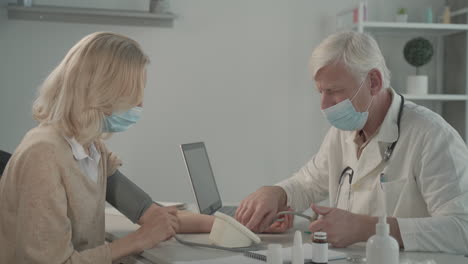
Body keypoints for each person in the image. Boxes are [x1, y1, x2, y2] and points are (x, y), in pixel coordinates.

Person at [235, 31, 468, 254]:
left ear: (373, 82)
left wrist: (365, 228)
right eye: (321, 92)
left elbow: (461, 229)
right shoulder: (343, 133)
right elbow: (309, 182)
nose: (324, 105)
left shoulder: (432, 136)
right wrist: (278, 194)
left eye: (333, 91)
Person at [0, 32, 214, 263]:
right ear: (102, 91)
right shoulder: (43, 154)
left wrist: (238, 226)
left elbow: (149, 212)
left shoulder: (92, 150)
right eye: (135, 93)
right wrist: (138, 240)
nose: (140, 104)